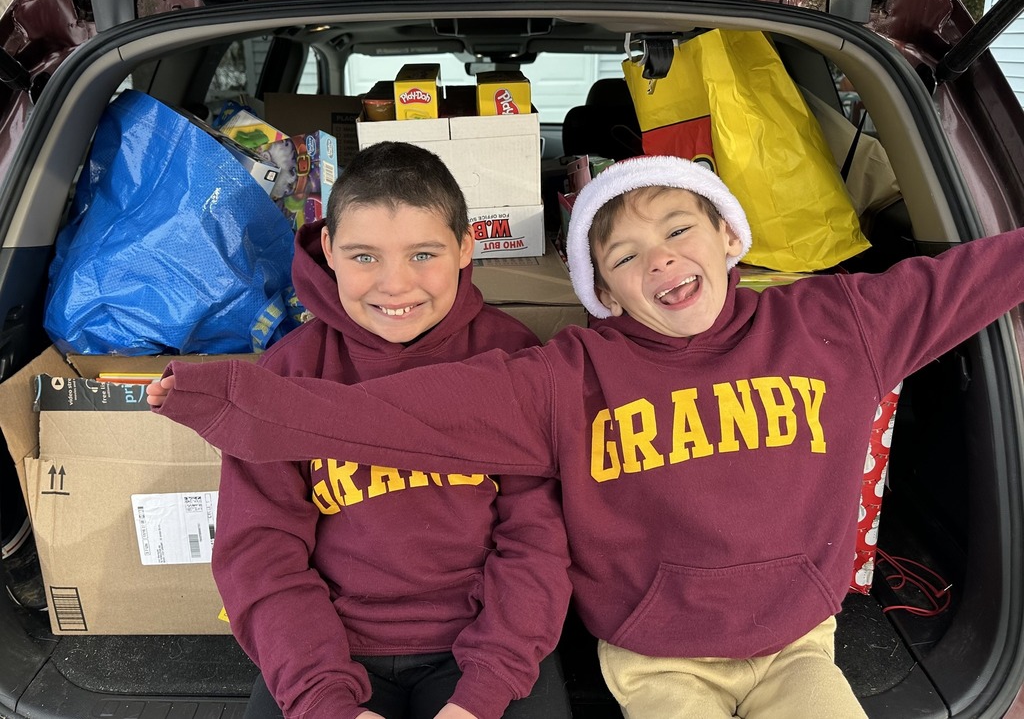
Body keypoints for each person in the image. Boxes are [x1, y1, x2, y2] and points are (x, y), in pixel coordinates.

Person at [148, 154, 1024, 717]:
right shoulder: (565, 374)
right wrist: (237, 399)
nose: (661, 262)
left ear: (729, 235)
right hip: (647, 652)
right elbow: (388, 421)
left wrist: (486, 685)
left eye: (679, 229)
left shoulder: (839, 322)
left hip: (792, 634)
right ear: (601, 291)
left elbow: (972, 276)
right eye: (625, 257)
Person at [194, 141, 572, 719]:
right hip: (330, 645)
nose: (395, 286)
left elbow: (538, 542)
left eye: (424, 254)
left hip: (485, 644)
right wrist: (323, 696)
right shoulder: (290, 373)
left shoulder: (513, 359)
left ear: (466, 247)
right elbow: (260, 552)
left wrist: (485, 689)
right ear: (328, 249)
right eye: (364, 256)